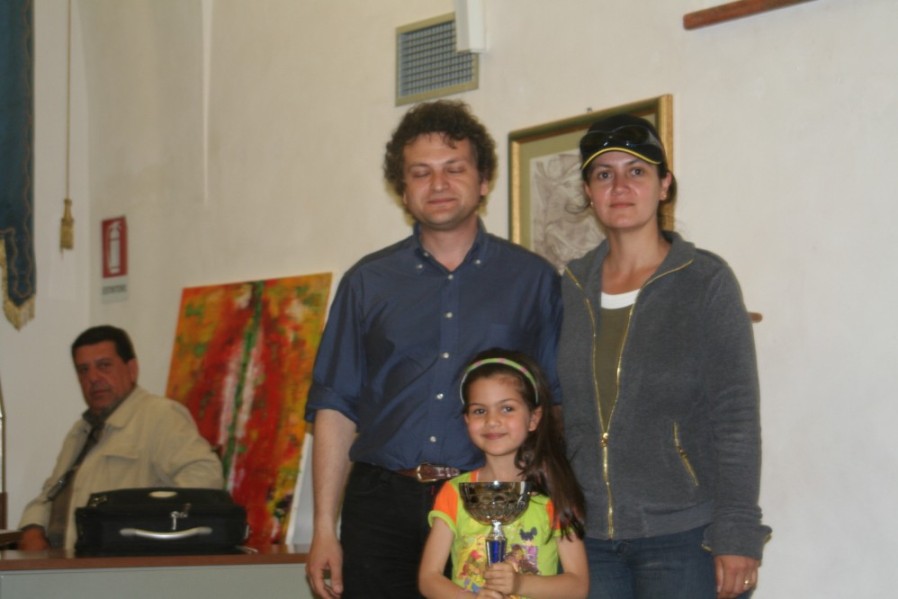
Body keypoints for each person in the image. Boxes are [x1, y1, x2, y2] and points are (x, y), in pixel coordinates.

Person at [304, 100, 561, 599]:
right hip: (380, 506)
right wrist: (323, 530)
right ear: (403, 190)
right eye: (421, 173)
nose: (438, 184)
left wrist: (554, 509)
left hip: (490, 503)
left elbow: (554, 404)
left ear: (483, 180)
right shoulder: (367, 282)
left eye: (454, 168)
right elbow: (335, 408)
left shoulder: (532, 280)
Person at [557, 114, 771, 599]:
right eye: (604, 174)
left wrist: (737, 532)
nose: (620, 186)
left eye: (637, 171)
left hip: (685, 537)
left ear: (664, 185)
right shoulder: (571, 285)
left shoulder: (706, 281)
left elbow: (737, 418)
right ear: (588, 191)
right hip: (589, 540)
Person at [18, 325, 224, 550]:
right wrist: (32, 528)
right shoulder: (81, 431)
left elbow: (205, 478)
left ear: (131, 369)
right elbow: (50, 492)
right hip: (65, 563)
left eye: (104, 365)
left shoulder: (160, 416)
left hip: (124, 564)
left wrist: (143, 529)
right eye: (83, 370)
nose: (93, 378)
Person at [419, 349, 588, 599]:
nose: (492, 420)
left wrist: (520, 584)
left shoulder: (554, 492)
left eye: (507, 408)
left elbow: (577, 586)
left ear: (534, 418)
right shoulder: (454, 493)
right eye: (479, 411)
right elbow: (429, 578)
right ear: (466, 420)